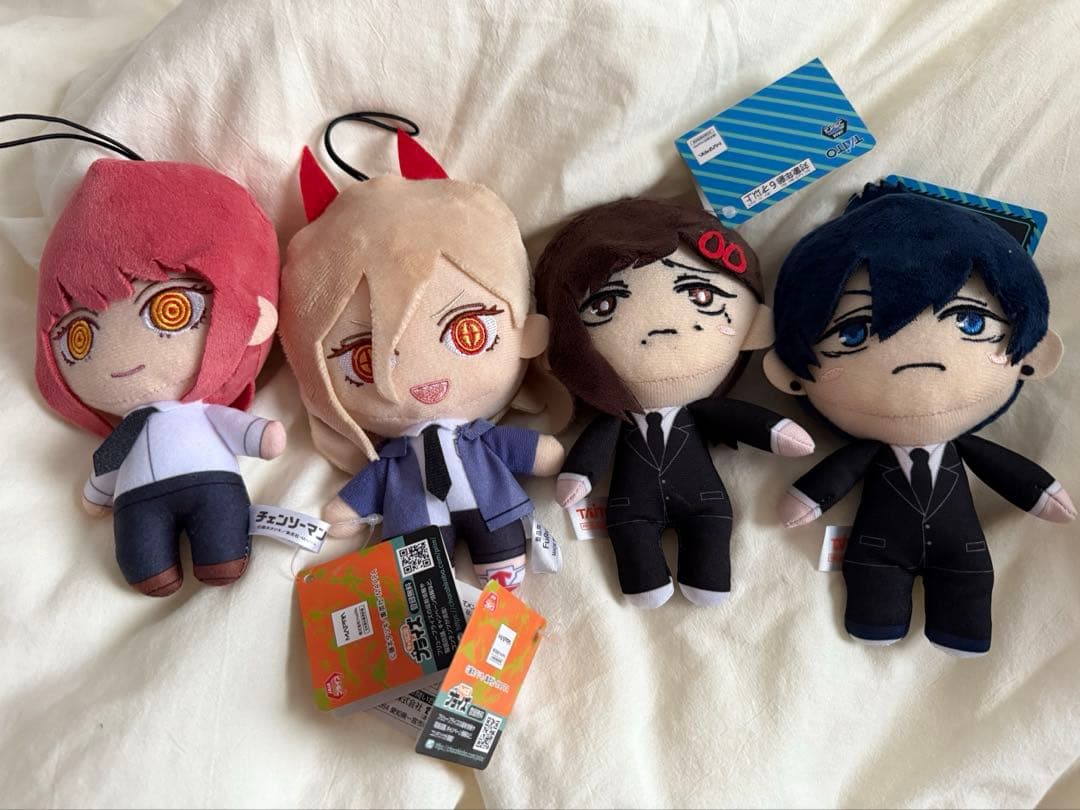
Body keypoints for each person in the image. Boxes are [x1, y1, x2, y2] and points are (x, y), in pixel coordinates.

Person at [764, 183, 1075, 655]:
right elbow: (834, 477)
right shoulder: (866, 449)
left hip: (962, 550)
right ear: (791, 377)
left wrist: (1041, 493)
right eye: (853, 332)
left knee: (969, 585)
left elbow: (1009, 473)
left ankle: (962, 631)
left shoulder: (966, 446)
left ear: (1034, 355)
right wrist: (807, 499)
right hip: (875, 551)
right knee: (871, 596)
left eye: (971, 322)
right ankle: (876, 624)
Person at [278, 131, 569, 590]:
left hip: (492, 511)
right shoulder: (391, 458)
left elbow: (527, 451)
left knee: (501, 555)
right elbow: (367, 487)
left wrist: (541, 452)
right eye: (365, 360)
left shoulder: (481, 438)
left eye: (468, 332)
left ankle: (501, 569)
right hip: (416, 527)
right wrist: (348, 510)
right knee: (421, 586)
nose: (420, 378)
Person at [534, 198, 815, 608]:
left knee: (713, 525)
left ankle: (707, 578)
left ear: (752, 327)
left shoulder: (703, 411)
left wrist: (778, 433)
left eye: (701, 295)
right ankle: (644, 582)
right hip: (631, 507)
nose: (660, 329)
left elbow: (743, 419)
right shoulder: (615, 420)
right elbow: (593, 449)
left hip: (705, 503)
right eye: (604, 305)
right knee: (629, 532)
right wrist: (579, 476)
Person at [35, 158, 284, 596]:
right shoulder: (125, 432)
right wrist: (97, 492)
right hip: (137, 502)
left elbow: (232, 425)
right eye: (80, 337)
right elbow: (109, 463)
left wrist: (260, 435)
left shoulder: (199, 413)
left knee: (221, 546)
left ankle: (219, 557)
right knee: (145, 564)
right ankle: (153, 570)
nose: (122, 356)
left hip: (210, 485)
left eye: (170, 310)